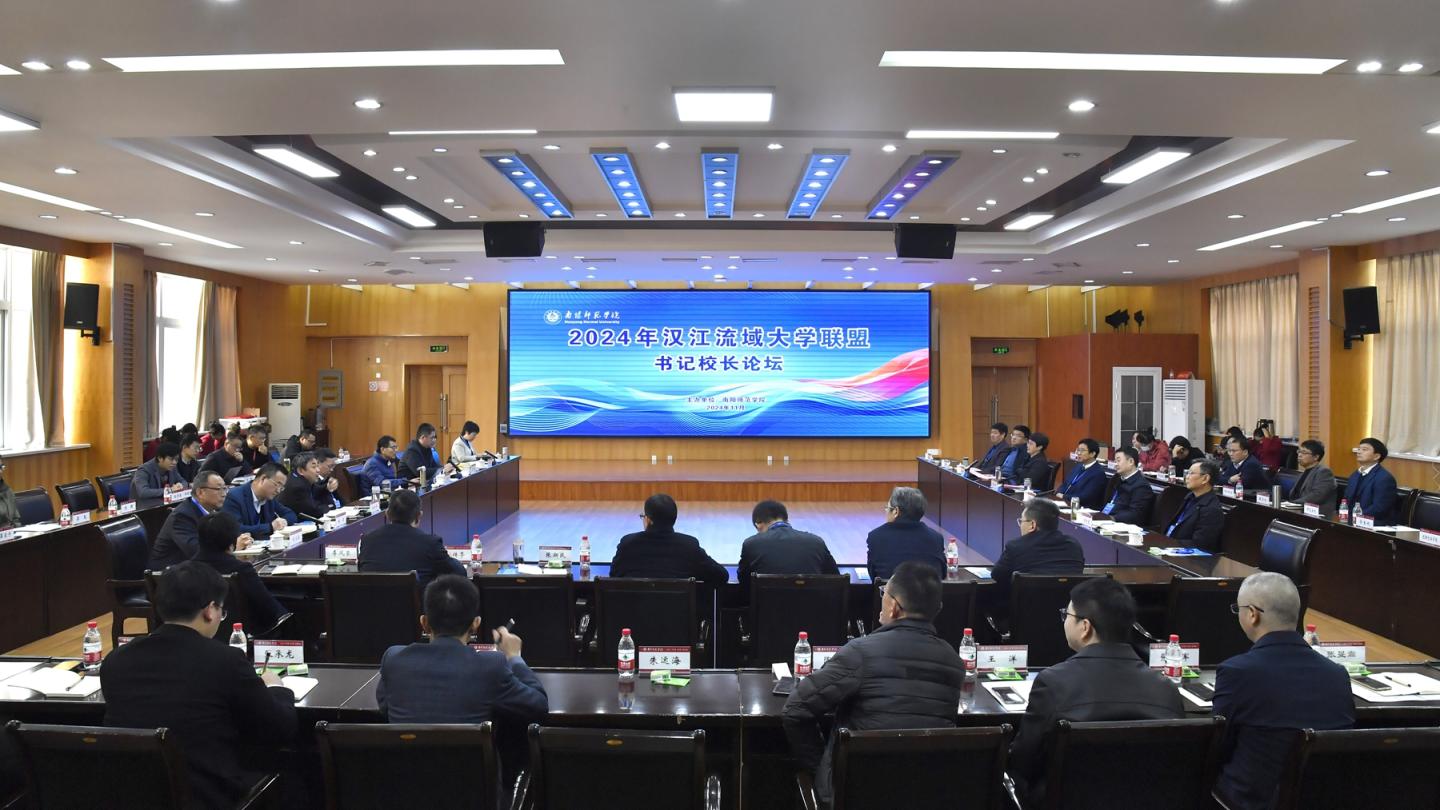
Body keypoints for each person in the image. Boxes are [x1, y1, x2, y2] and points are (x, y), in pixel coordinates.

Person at [101, 561, 296, 809]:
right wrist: (277, 688)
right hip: (210, 798)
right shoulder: (225, 660)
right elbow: (279, 729)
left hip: (136, 796)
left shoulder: (116, 661)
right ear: (210, 610)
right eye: (222, 610)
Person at [783, 562, 963, 807]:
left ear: (894, 607)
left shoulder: (861, 652)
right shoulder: (953, 661)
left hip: (855, 794)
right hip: (925, 796)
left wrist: (822, 769)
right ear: (937, 609)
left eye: (884, 594)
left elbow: (796, 709)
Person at [1008, 577, 1185, 804]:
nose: (1064, 621)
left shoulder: (1053, 684)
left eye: (1066, 615)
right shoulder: (1166, 689)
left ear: (1085, 627)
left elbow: (1022, 761)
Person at [1212, 572, 1354, 810]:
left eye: (1239, 610)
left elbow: (1218, 746)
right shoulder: (1337, 674)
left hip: (1247, 802)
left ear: (1253, 614)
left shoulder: (1237, 672)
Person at [377, 575, 548, 723]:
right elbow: (538, 706)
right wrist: (514, 657)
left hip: (405, 753)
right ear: (475, 624)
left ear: (424, 623)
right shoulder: (491, 667)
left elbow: (386, 707)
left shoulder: (393, 659)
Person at [192, 511, 290, 633]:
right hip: (243, 634)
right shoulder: (241, 569)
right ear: (232, 541)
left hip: (197, 635)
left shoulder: (186, 569)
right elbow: (271, 608)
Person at [610, 493, 728, 588]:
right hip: (679, 611)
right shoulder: (689, 546)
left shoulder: (628, 544)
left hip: (635, 610)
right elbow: (721, 576)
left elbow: (613, 576)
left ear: (649, 520)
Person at [357, 489, 466, 589]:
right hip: (415, 604)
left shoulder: (367, 540)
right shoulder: (430, 543)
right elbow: (459, 572)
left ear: (387, 514)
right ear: (419, 516)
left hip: (371, 604)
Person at [989, 499, 1084, 611]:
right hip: (1067, 615)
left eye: (1021, 521)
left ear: (1032, 525)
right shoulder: (1073, 545)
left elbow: (996, 576)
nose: (1020, 525)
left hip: (1024, 616)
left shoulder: (1016, 546)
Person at [737, 500, 839, 600]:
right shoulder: (816, 541)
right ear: (786, 520)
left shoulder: (751, 544)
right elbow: (835, 579)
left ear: (758, 523)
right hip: (813, 609)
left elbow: (744, 584)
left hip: (767, 610)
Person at [151, 470, 248, 568]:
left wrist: (241, 540)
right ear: (200, 492)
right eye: (219, 489)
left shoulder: (213, 511)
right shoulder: (181, 516)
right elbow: (197, 552)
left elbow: (226, 536)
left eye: (225, 488)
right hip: (170, 572)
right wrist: (233, 549)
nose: (224, 494)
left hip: (197, 568)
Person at [864, 486, 945, 581]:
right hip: (928, 591)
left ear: (896, 511)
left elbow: (873, 574)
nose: (886, 511)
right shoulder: (936, 538)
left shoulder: (876, 536)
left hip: (890, 590)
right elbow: (942, 574)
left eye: (888, 508)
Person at [1164, 460, 1226, 552]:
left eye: (1191, 473)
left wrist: (1171, 544)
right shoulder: (1190, 497)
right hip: (1170, 543)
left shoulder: (1211, 509)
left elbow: (1201, 544)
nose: (1187, 477)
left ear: (1205, 479)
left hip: (1189, 554)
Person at [222, 463, 295, 539]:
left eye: (281, 487)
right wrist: (270, 527)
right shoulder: (235, 497)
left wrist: (282, 522)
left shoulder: (269, 498)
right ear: (263, 479)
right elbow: (235, 529)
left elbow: (290, 514)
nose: (278, 490)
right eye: (277, 485)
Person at [1343, 437, 1399, 524]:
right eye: (1359, 449)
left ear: (1376, 456)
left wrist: (1355, 517)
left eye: (1364, 449)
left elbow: (1379, 508)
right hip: (1353, 520)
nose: (1359, 452)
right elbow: (1346, 500)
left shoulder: (1384, 478)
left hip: (1374, 523)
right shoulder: (1355, 474)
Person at [1103, 447, 1156, 526]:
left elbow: (1135, 514)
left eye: (1118, 460)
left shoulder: (1141, 486)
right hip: (1108, 519)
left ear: (1131, 461)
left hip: (1122, 525)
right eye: (1115, 461)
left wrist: (1112, 518)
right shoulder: (1117, 479)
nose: (1115, 464)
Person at [278, 451, 332, 521]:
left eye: (317, 466)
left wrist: (327, 487)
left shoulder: (294, 476)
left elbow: (315, 489)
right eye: (314, 467)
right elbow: (314, 512)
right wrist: (329, 507)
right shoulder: (298, 487)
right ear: (301, 470)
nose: (318, 470)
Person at [1289, 439, 1337, 516]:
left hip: (1316, 515)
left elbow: (1317, 496)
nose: (1299, 455)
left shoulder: (1324, 472)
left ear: (1316, 457)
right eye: (1299, 451)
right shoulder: (1304, 472)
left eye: (1304, 452)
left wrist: (1292, 504)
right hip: (1299, 511)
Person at [1055, 438, 1107, 509]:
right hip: (1066, 502)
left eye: (1082, 450)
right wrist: (1058, 493)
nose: (1078, 453)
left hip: (1083, 508)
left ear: (1092, 454)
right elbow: (1066, 483)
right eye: (1078, 450)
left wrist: (1064, 497)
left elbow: (1086, 497)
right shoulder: (1078, 466)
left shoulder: (1098, 473)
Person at [0, 455, 21, 529]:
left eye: (1, 467)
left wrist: (15, 530)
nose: (0, 471)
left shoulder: (7, 491)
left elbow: (16, 520)